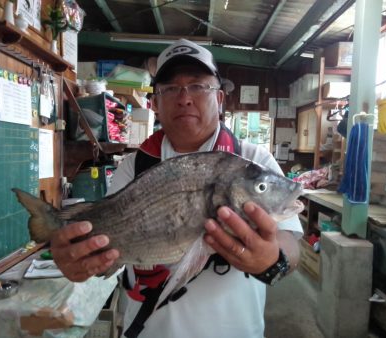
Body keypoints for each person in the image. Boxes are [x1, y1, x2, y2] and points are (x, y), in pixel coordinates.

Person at [51, 39, 303, 338]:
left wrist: (273, 261)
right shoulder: (133, 166)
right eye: (170, 88)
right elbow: (108, 241)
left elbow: (291, 242)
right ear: (155, 103)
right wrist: (78, 260)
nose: (184, 98)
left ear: (219, 99)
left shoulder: (255, 161)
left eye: (198, 86)